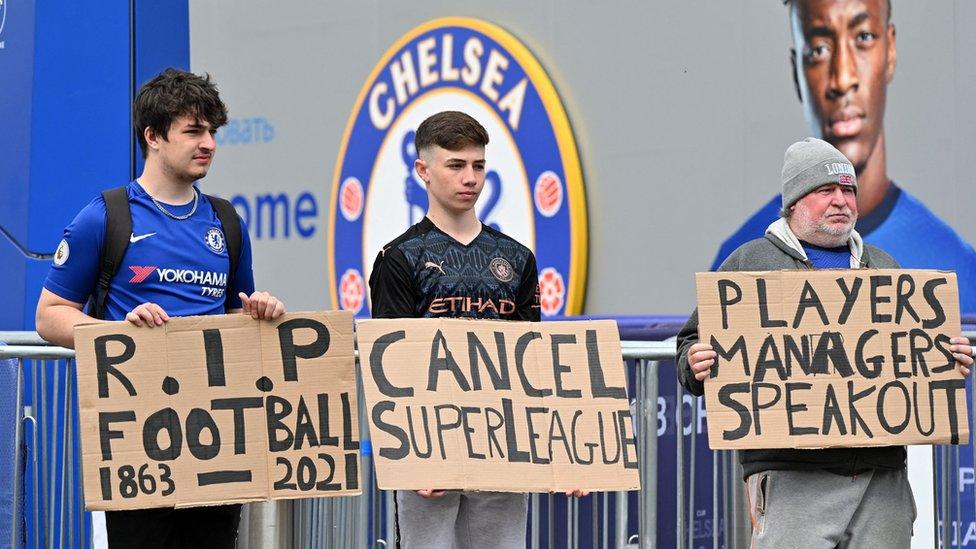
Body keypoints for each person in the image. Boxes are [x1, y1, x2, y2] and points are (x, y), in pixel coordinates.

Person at [678, 137, 975, 548]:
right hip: (792, 480)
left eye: (848, 190)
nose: (841, 200)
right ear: (794, 203)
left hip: (881, 479)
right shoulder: (749, 264)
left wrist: (946, 358)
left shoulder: (885, 266)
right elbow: (690, 344)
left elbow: (912, 354)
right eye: (825, 190)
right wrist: (693, 362)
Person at [35, 68, 285, 548]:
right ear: (152, 136)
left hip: (215, 441)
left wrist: (261, 312)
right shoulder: (106, 216)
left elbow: (236, 315)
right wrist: (120, 333)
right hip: (137, 442)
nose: (208, 142)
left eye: (212, 131)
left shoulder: (227, 220)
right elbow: (50, 315)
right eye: (194, 130)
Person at [368, 111, 587, 548]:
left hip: (502, 447)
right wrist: (414, 457)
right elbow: (392, 367)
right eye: (456, 165)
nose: (470, 178)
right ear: (423, 171)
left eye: (479, 165)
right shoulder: (400, 257)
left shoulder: (517, 258)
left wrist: (564, 453)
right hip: (432, 452)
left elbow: (535, 365)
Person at [712, 0, 976, 315]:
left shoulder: (953, 265)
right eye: (818, 49)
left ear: (890, 50)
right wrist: (694, 360)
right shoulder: (741, 264)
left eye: (863, 37)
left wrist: (954, 360)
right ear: (797, 70)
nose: (842, 78)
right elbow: (699, 348)